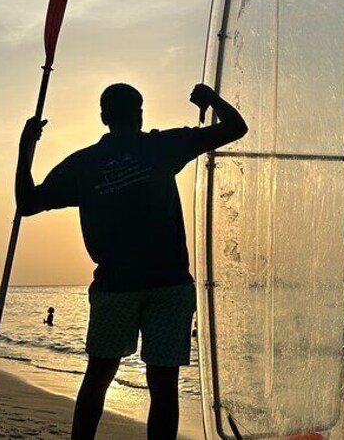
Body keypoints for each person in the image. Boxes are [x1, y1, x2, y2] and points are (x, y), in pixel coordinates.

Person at [15, 83, 247, 440]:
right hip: (166, 284)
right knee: (163, 385)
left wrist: (25, 147)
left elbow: (27, 202)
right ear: (140, 114)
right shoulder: (162, 147)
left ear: (104, 117)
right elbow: (236, 127)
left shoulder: (84, 163)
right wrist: (211, 100)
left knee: (99, 377)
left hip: (117, 286)